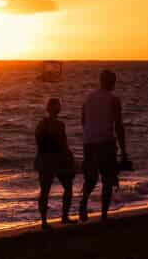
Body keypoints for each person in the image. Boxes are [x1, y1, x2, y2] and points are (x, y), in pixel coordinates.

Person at [79, 69, 127, 222]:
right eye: (114, 81)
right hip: (106, 142)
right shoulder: (114, 99)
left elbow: (83, 120)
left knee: (90, 178)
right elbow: (118, 126)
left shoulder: (88, 98)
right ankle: (104, 215)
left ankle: (83, 203)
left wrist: (89, 135)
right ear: (111, 82)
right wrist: (123, 150)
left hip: (89, 142)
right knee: (107, 179)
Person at [34, 97, 74, 230]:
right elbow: (63, 145)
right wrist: (69, 157)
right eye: (58, 106)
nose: (59, 108)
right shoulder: (59, 125)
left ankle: (45, 221)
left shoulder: (41, 124)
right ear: (56, 109)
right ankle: (64, 216)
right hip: (56, 160)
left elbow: (38, 142)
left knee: (45, 191)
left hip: (44, 159)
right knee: (67, 187)